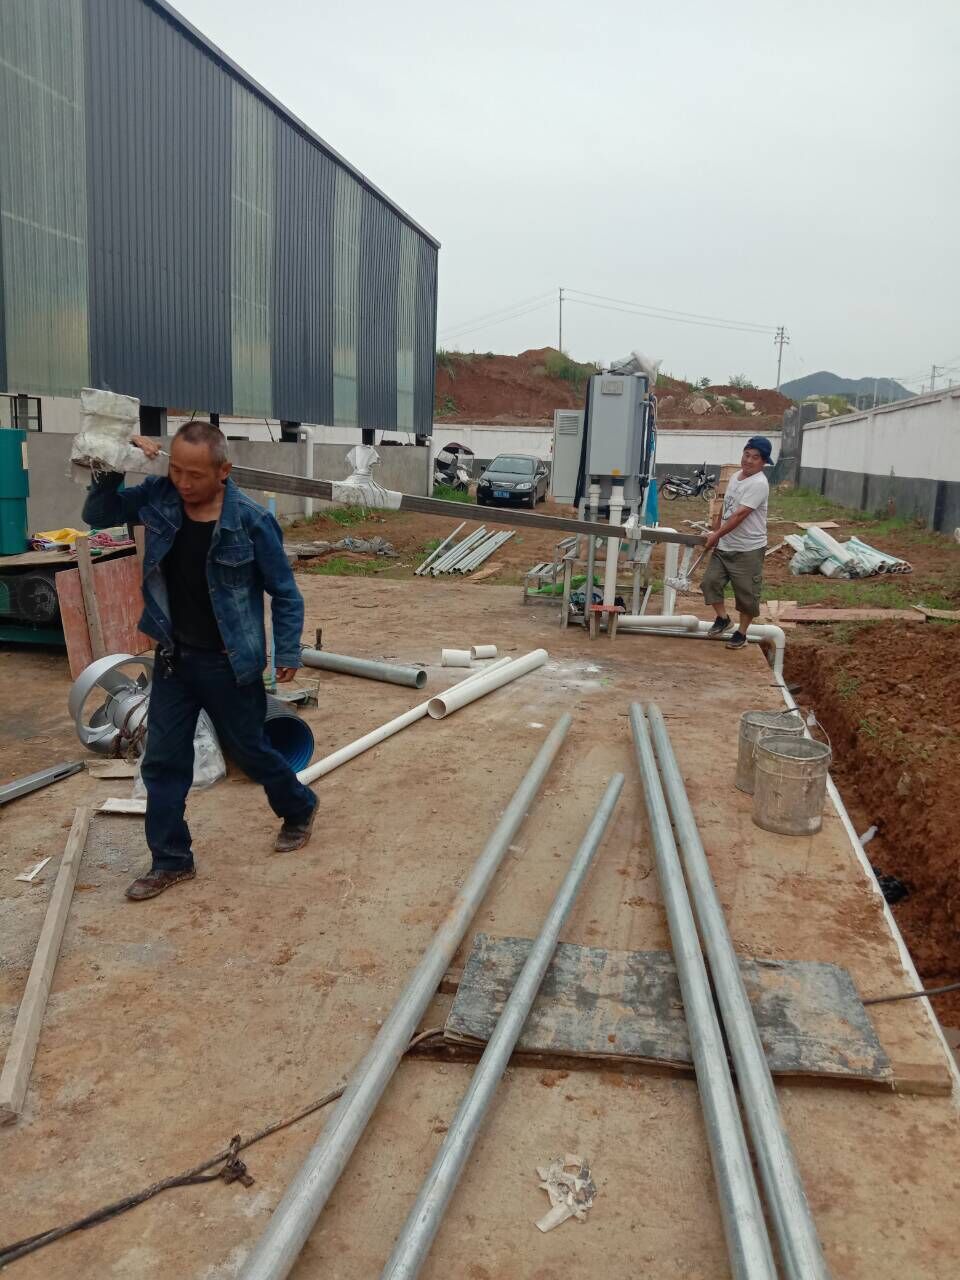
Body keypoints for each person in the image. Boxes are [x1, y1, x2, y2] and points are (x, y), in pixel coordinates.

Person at [82, 420, 318, 901]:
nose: (183, 483)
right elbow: (98, 514)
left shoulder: (251, 521)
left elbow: (284, 592)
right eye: (176, 471)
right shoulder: (160, 497)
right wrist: (115, 458)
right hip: (174, 659)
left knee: (251, 751)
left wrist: (288, 649)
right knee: (163, 762)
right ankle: (171, 860)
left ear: (223, 471)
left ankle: (298, 806)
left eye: (195, 475)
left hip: (231, 664)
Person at [701, 435, 773, 650]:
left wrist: (717, 535)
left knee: (746, 595)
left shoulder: (759, 484)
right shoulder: (735, 477)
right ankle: (723, 619)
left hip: (748, 549)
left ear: (763, 462)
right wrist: (715, 530)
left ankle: (741, 633)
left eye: (755, 457)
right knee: (710, 582)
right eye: (746, 455)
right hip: (725, 545)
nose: (748, 460)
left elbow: (740, 515)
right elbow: (726, 506)